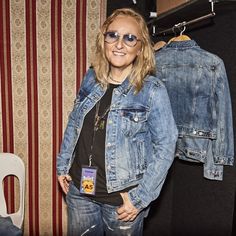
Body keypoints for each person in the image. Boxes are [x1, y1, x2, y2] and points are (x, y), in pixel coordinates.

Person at [57, 8, 178, 236]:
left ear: (141, 47)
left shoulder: (152, 90)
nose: (119, 44)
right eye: (113, 35)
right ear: (103, 40)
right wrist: (62, 165)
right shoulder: (91, 77)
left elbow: (166, 147)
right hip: (80, 193)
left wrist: (140, 198)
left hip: (122, 201)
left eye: (130, 38)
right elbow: (74, 122)